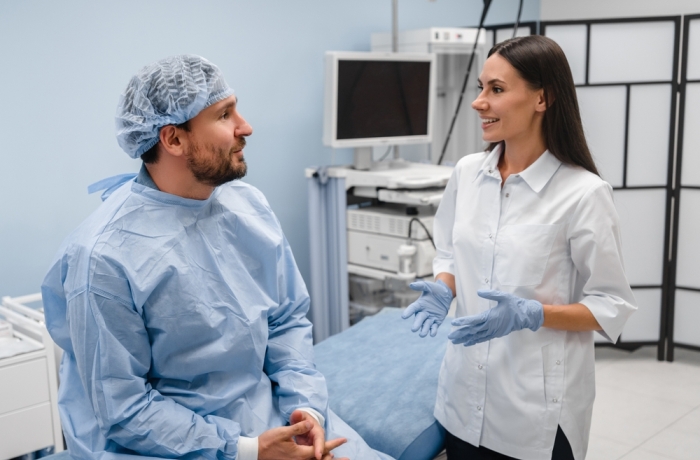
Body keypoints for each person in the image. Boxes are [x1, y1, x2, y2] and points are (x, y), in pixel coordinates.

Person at [41, 55, 392, 460]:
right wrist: (245, 450)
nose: (246, 127)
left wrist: (305, 412)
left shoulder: (247, 206)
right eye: (225, 115)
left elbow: (285, 320)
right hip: (172, 445)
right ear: (173, 139)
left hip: (272, 420)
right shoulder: (103, 258)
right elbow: (124, 409)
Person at [401, 35, 637, 460]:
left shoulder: (583, 193)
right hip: (460, 400)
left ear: (542, 98)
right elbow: (451, 251)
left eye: (496, 90)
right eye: (480, 88)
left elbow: (611, 304)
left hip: (535, 416)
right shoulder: (467, 173)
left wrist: (535, 315)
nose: (478, 102)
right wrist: (444, 286)